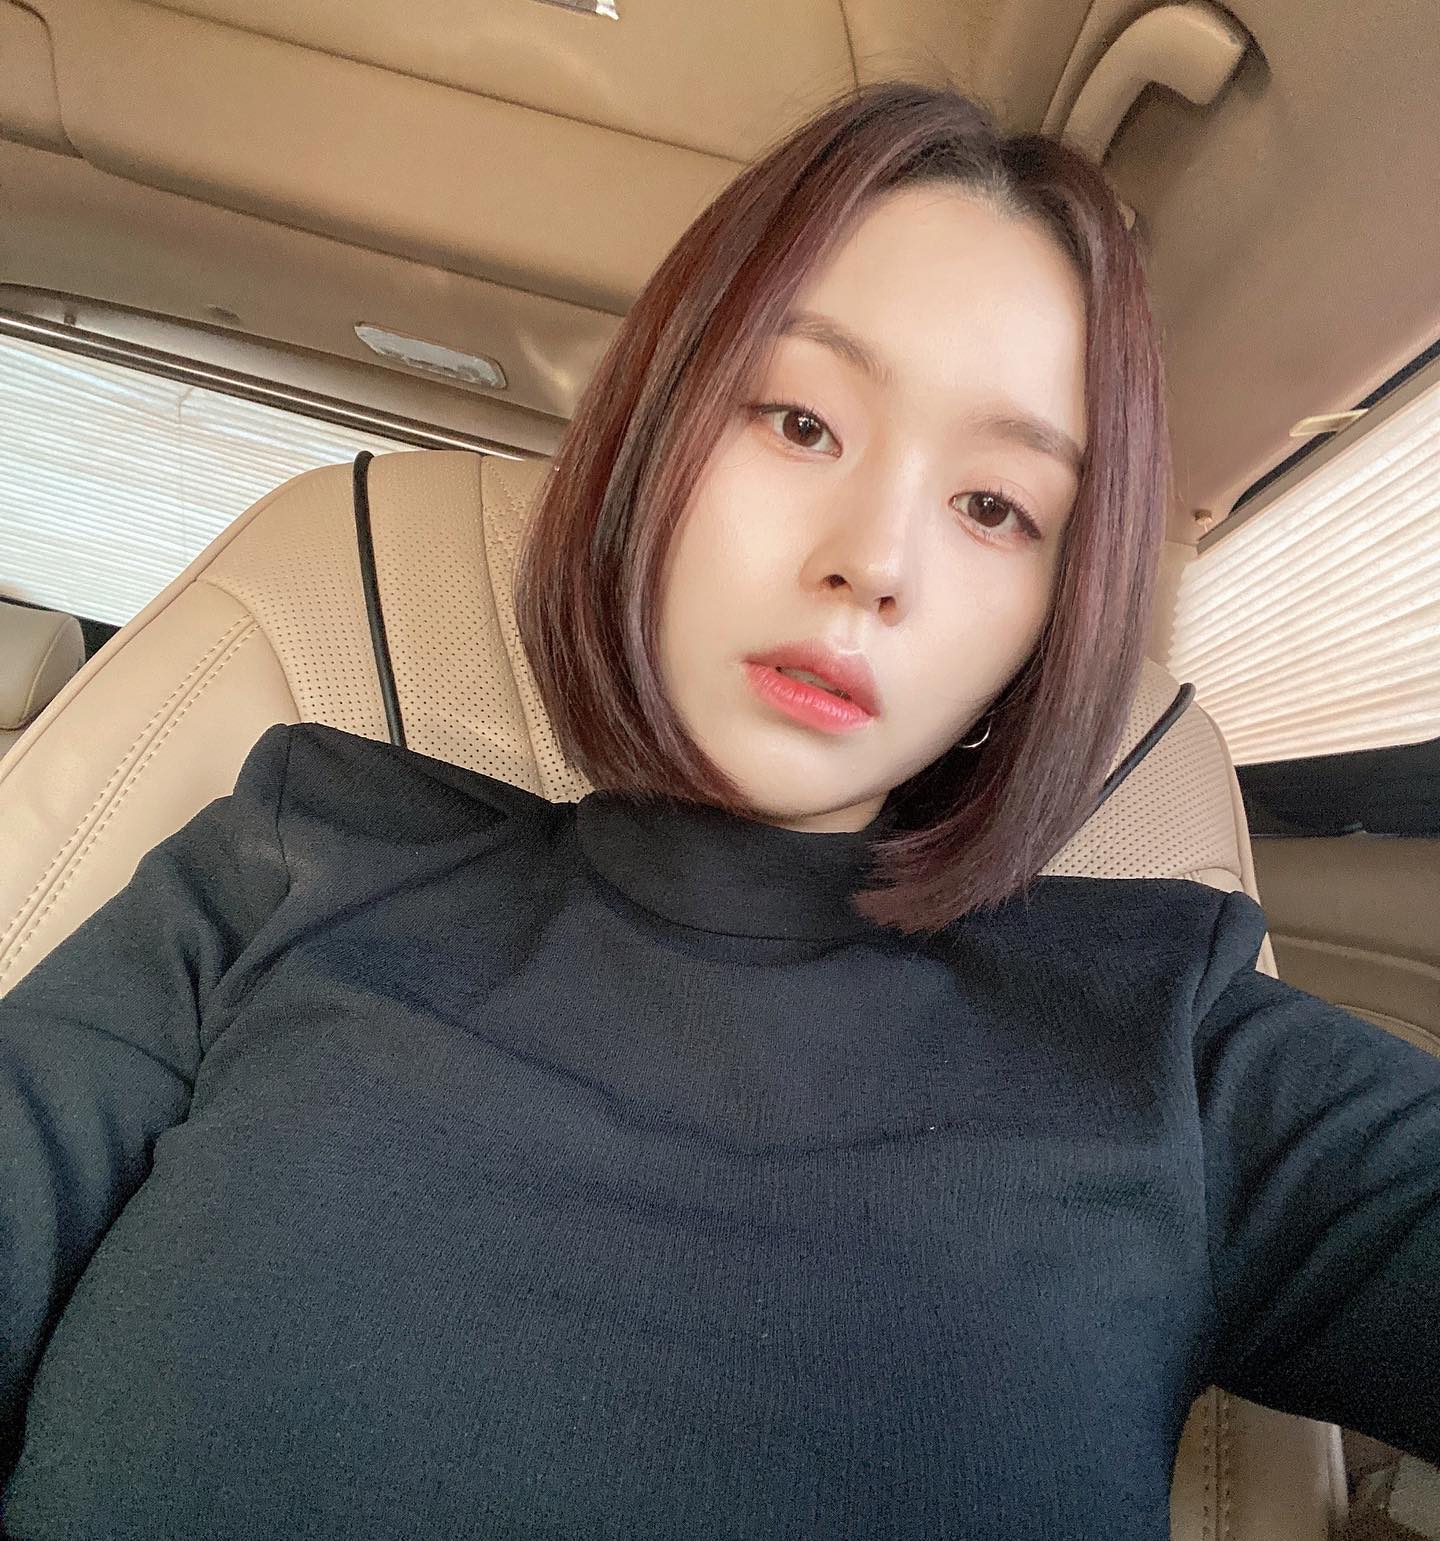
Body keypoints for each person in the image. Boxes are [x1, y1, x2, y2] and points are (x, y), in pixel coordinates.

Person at [2, 78, 1437, 1541]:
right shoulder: (290, 860)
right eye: (802, 420)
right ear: (653, 436)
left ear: (1050, 622)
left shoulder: (1177, 1048)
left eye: (995, 506)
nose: (876, 561)